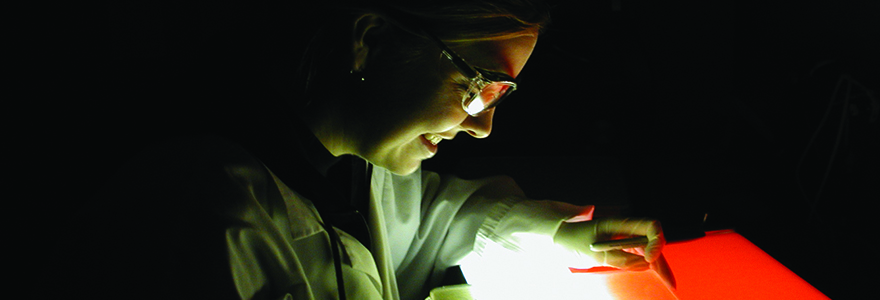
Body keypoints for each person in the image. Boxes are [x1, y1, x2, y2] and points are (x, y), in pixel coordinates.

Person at [57, 1, 664, 299]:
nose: (482, 127)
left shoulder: (360, 170)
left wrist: (561, 236)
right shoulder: (201, 210)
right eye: (479, 86)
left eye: (502, 94)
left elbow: (430, 222)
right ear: (369, 40)